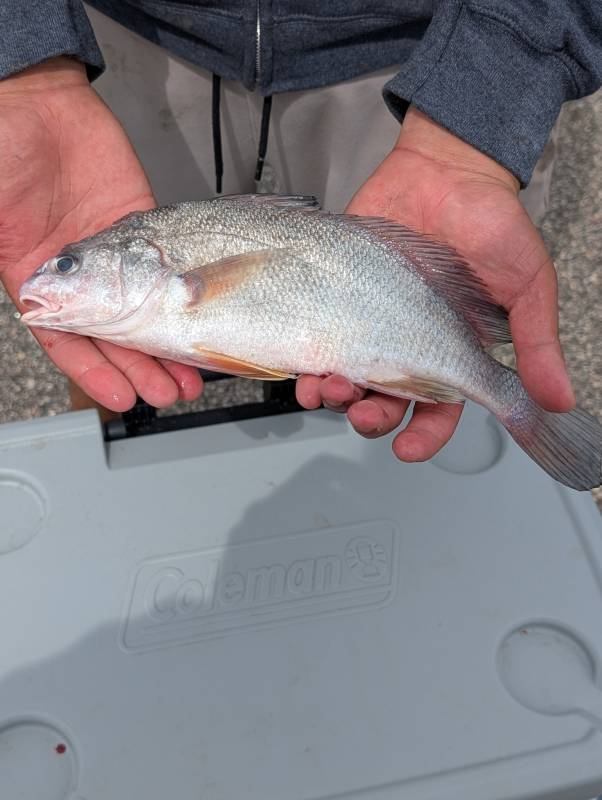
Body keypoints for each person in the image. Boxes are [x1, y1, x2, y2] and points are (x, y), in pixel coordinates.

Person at [0, 2, 600, 461]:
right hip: (128, 37)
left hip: (426, 52)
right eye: (66, 264)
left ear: (144, 259)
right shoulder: (133, 227)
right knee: (117, 377)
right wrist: (22, 62)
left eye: (69, 264)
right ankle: (109, 446)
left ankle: (488, 397)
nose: (51, 275)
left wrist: (494, 93)